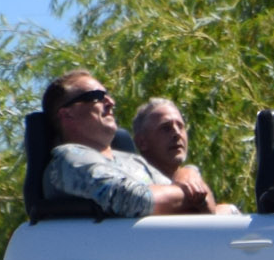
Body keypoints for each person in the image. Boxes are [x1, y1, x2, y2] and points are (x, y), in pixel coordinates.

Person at [39, 71, 190, 216]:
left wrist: (186, 175)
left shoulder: (133, 161)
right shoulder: (69, 159)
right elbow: (134, 200)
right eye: (97, 96)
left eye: (108, 95)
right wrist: (187, 184)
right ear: (67, 114)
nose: (111, 102)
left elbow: (201, 203)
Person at [128, 97, 238, 213]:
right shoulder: (133, 182)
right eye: (166, 128)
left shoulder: (191, 175)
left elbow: (210, 211)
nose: (177, 133)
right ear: (142, 142)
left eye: (180, 126)